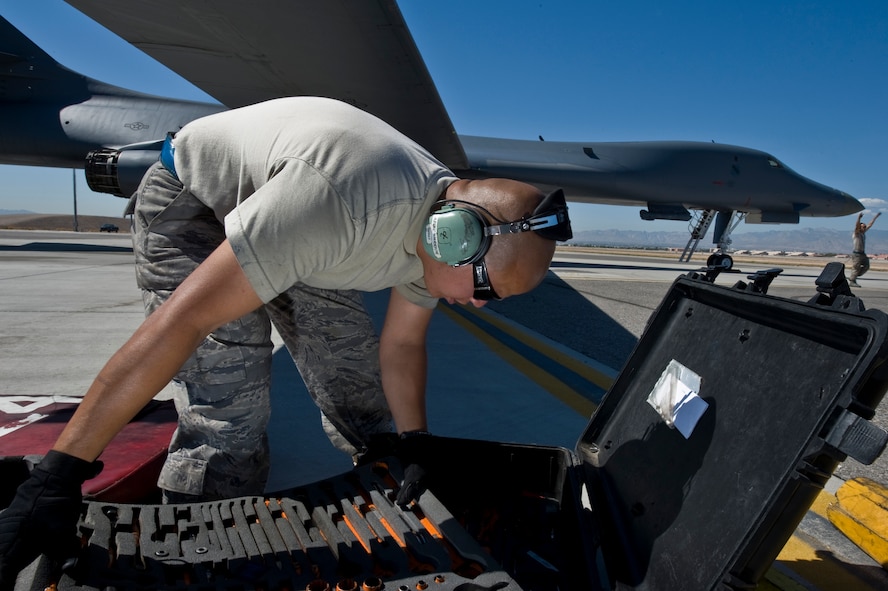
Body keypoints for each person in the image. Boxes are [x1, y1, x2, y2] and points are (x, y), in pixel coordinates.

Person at [0, 96, 572, 584]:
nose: (478, 304)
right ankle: (195, 552)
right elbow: (180, 324)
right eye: (485, 289)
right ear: (450, 237)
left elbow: (401, 346)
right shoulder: (343, 204)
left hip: (298, 221)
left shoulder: (434, 237)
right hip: (197, 203)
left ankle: (383, 492)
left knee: (356, 389)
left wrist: (414, 442)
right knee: (231, 408)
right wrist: (61, 472)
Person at [849, 212, 880, 287]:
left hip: (862, 253)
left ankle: (855, 275)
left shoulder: (863, 233)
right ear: (860, 227)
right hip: (856, 254)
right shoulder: (856, 233)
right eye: (863, 227)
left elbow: (870, 224)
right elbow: (857, 226)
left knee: (866, 266)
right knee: (856, 267)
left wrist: (875, 217)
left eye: (865, 227)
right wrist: (859, 218)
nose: (865, 228)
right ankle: (852, 281)